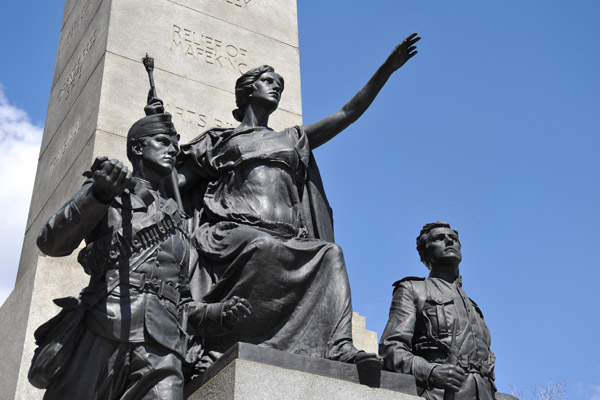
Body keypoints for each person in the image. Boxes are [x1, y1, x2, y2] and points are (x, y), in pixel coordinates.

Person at [177, 33, 421, 373]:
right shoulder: (220, 141)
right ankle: (220, 340)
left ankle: (339, 346)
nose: (276, 87)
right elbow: (174, 183)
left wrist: (386, 70)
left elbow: (348, 114)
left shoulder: (292, 138)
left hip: (285, 234)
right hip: (233, 233)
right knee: (262, 245)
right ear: (247, 89)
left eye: (279, 83)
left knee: (330, 253)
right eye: (267, 81)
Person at [32, 104, 250, 399]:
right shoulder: (109, 192)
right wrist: (98, 194)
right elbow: (51, 243)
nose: (172, 149)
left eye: (174, 144)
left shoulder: (179, 221)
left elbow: (182, 301)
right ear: (137, 148)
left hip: (163, 346)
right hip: (104, 325)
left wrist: (219, 313)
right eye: (162, 142)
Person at [379, 222, 513, 400]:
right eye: (440, 238)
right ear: (426, 252)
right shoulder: (414, 289)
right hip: (439, 393)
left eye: (454, 239)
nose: (450, 242)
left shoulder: (474, 307)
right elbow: (391, 349)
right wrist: (431, 371)